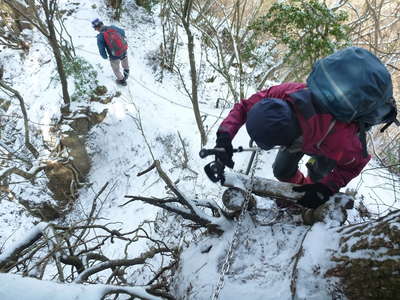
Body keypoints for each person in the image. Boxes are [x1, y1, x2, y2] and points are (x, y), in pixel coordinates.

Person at [214, 82, 371, 209]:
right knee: (281, 169)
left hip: (327, 139)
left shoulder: (340, 139)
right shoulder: (283, 96)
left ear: (290, 140)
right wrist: (224, 137)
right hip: (306, 132)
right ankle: (296, 193)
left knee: (318, 176)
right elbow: (245, 106)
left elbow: (356, 164)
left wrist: (326, 189)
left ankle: (308, 196)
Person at [92, 18, 129, 86]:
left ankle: (122, 80)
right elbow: (123, 32)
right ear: (102, 23)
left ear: (96, 28)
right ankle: (126, 71)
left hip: (114, 56)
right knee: (124, 60)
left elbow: (102, 51)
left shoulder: (100, 37)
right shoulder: (112, 27)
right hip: (123, 49)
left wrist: (105, 57)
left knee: (116, 69)